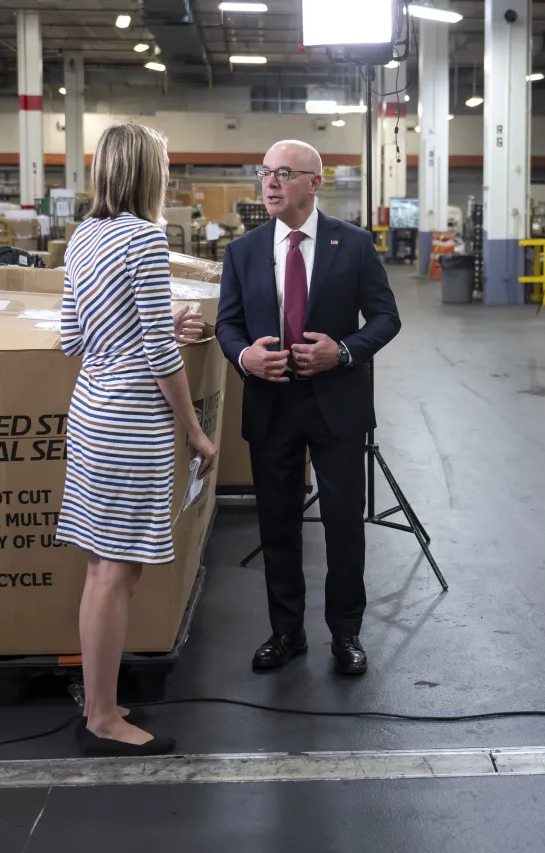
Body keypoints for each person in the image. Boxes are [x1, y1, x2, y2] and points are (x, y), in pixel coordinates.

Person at [56, 123, 218, 755]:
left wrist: (150, 324)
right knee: (116, 573)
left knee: (104, 567)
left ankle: (102, 700)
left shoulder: (84, 236)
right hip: (132, 419)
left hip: (92, 409)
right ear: (150, 173)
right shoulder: (146, 239)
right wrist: (197, 432)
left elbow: (73, 337)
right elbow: (156, 350)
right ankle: (101, 720)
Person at [216, 140, 401, 676]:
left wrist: (341, 352)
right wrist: (246, 357)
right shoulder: (244, 251)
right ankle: (286, 632)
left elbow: (386, 319)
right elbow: (228, 325)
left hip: (336, 406)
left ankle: (346, 634)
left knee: (344, 524)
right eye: (265, 172)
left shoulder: (355, 244)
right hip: (271, 405)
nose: (270, 183)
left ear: (314, 182)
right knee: (277, 525)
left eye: (284, 173)